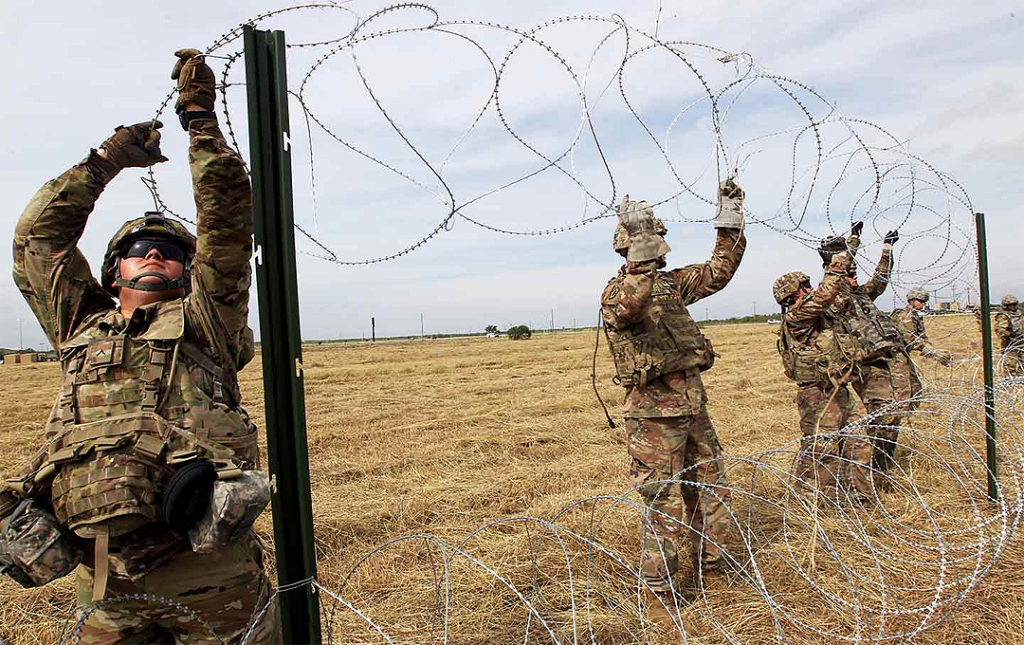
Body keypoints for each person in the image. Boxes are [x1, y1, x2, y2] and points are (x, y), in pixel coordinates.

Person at [1, 49, 280, 643]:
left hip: (210, 569)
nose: (154, 254)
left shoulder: (208, 318)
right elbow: (38, 238)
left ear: (187, 272)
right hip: (104, 577)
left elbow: (226, 220)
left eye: (172, 252)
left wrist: (199, 118)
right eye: (138, 249)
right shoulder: (80, 325)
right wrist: (104, 162)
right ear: (111, 274)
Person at [601, 180, 745, 625]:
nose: (660, 253)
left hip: (693, 406)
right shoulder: (618, 291)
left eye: (659, 245)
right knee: (662, 500)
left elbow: (719, 272)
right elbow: (626, 310)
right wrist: (640, 263)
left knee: (709, 489)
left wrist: (731, 218)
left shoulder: (672, 285)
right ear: (631, 250)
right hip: (653, 416)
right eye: (649, 246)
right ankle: (660, 593)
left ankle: (715, 570)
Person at [772, 249, 874, 502]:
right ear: (793, 294)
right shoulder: (797, 318)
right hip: (816, 394)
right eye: (804, 286)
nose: (809, 289)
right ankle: (807, 502)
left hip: (838, 389)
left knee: (859, 443)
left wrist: (850, 248)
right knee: (822, 450)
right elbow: (824, 294)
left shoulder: (818, 315)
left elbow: (839, 294)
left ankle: (860, 498)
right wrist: (838, 260)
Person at [820, 226, 904, 473]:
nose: (855, 277)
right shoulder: (835, 297)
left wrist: (887, 249)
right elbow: (839, 271)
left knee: (890, 416)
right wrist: (852, 243)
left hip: (881, 361)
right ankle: (870, 468)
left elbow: (881, 278)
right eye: (850, 273)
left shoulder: (863, 294)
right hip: (862, 366)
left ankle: (878, 466)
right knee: (882, 416)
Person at [890, 289, 954, 407]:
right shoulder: (904, 315)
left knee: (915, 387)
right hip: (895, 355)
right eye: (921, 301)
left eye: (924, 301)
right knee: (903, 389)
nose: (923, 303)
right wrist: (933, 353)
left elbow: (922, 338)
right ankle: (899, 415)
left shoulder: (916, 317)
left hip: (904, 354)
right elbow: (910, 339)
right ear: (912, 300)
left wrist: (934, 352)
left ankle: (910, 413)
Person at [994, 295, 1024, 376]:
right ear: (1005, 306)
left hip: (1021, 342)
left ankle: (1020, 379)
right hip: (1011, 344)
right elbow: (1000, 330)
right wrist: (1010, 334)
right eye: (1010, 305)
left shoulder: (1019, 313)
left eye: (1014, 304)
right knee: (1010, 365)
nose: (1013, 306)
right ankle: (1010, 382)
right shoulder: (1003, 316)